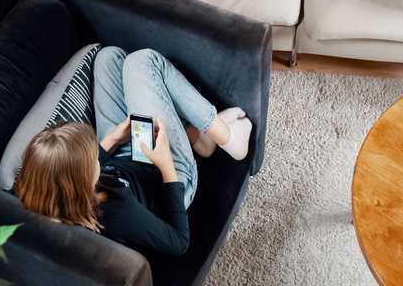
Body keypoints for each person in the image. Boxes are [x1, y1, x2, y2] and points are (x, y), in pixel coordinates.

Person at [14, 47, 252, 256]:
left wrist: (114, 138)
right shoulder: (118, 213)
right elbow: (179, 242)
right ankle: (227, 139)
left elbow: (84, 168)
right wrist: (166, 165)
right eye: (92, 156)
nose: (97, 152)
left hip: (128, 160)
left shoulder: (58, 192)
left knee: (109, 58)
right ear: (81, 180)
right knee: (144, 61)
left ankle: (196, 138)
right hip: (169, 178)